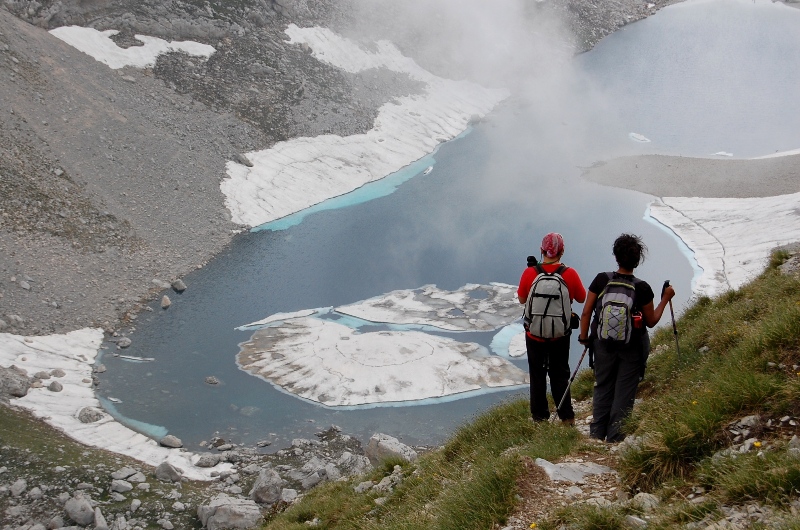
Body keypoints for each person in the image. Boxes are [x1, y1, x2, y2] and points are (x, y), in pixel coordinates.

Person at [578, 233, 675, 442]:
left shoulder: (602, 279)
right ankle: (616, 437)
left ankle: (595, 436)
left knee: (603, 385)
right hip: (632, 347)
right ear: (637, 260)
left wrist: (585, 338)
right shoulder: (642, 288)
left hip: (602, 343)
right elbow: (651, 321)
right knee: (625, 390)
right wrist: (665, 299)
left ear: (616, 257)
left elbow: (586, 312)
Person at [518, 232, 586, 423]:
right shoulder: (569, 274)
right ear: (562, 251)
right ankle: (566, 418)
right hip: (559, 335)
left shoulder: (530, 273)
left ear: (542, 250)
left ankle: (540, 418)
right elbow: (581, 298)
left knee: (537, 375)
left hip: (534, 334)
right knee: (559, 374)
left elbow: (522, 299)